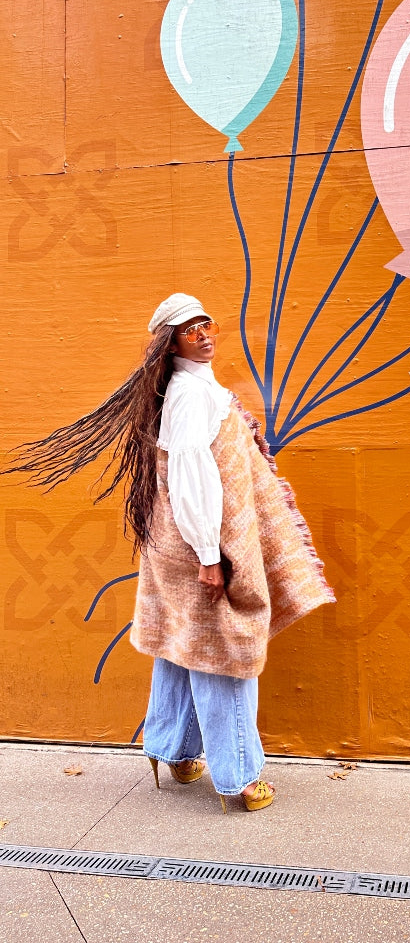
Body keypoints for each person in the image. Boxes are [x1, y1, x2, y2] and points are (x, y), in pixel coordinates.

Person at [3, 293, 335, 813]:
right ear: (169, 342)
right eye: (188, 330)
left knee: (186, 643)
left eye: (207, 323)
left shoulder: (193, 389)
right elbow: (190, 479)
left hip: (175, 541)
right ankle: (239, 778)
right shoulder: (189, 396)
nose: (203, 334)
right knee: (224, 654)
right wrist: (209, 554)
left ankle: (173, 751)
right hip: (196, 543)